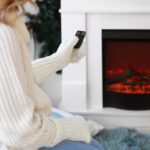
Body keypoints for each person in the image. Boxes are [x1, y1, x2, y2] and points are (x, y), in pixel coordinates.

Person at [0, 0, 104, 150]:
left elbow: (12, 80)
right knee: (93, 146)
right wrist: (74, 127)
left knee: (89, 137)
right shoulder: (3, 33)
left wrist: (59, 59)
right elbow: (22, 132)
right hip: (17, 142)